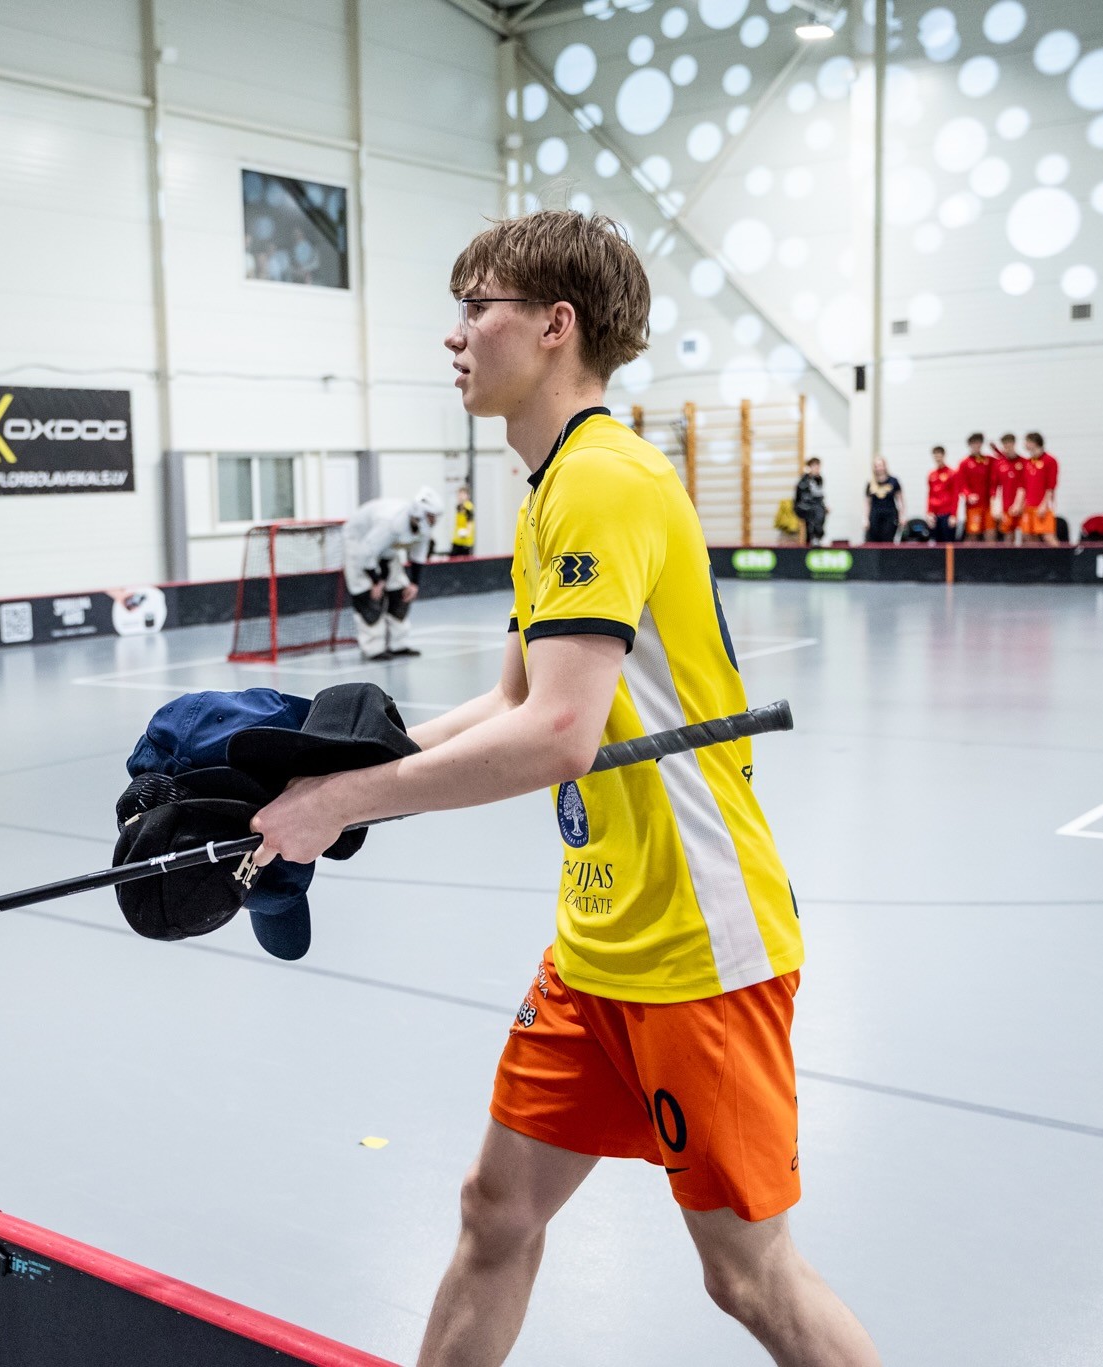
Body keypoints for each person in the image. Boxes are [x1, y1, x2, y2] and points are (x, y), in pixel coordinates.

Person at [251, 209, 879, 1367]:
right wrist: (334, 770)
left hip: (697, 940)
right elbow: (509, 699)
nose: (453, 335)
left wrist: (342, 807)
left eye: (473, 306)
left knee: (748, 1275)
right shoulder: (547, 489)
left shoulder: (600, 479)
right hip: (596, 939)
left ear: (553, 325)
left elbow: (555, 737)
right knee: (496, 1210)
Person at [342, 488, 443, 660]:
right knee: (368, 595)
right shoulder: (389, 523)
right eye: (431, 516)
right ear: (420, 513)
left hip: (385, 547)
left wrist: (414, 583)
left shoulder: (422, 527)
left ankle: (398, 644)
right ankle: (373, 648)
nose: (434, 521)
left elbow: (418, 556)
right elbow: (367, 552)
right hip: (359, 542)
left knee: (400, 591)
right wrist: (376, 581)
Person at [1020, 432, 1060, 545]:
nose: (1025, 444)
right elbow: (1024, 486)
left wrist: (1044, 504)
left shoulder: (1049, 460)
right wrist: (1021, 503)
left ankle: (1060, 556)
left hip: (1043, 505)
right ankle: (1037, 557)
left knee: (1048, 536)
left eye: (1027, 442)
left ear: (1034, 443)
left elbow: (1051, 486)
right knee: (1029, 536)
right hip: (1029, 505)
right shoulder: (1028, 462)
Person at [956, 432, 995, 542]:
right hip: (973, 506)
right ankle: (969, 553)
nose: (976, 446)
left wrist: (995, 449)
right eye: (974, 443)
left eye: (979, 443)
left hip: (987, 504)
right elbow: (961, 484)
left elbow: (1005, 461)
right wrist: (968, 495)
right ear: (970, 445)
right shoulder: (964, 463)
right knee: (973, 533)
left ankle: (991, 553)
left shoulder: (988, 460)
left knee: (990, 532)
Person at [864, 456, 903, 543]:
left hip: (890, 515)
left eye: (880, 465)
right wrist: (865, 519)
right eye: (876, 466)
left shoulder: (893, 481)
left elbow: (900, 500)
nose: (879, 468)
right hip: (875, 515)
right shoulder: (870, 483)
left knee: (887, 540)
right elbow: (867, 503)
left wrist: (902, 516)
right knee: (873, 540)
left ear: (885, 466)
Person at [924, 445, 959, 543]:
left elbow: (955, 495)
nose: (938, 458)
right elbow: (930, 494)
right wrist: (929, 513)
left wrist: (954, 515)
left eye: (939, 455)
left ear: (943, 455)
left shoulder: (952, 473)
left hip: (947, 514)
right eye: (935, 456)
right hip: (935, 515)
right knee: (935, 543)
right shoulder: (932, 474)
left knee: (948, 543)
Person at [793, 457, 827, 545]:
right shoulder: (804, 480)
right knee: (815, 512)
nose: (817, 469)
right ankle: (813, 538)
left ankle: (816, 537)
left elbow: (819, 496)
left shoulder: (819, 479)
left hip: (814, 506)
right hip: (802, 506)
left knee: (820, 511)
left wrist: (824, 506)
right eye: (814, 466)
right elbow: (802, 497)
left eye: (818, 466)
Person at [449, 483, 477, 557]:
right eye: (459, 494)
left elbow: (470, 522)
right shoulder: (458, 507)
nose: (460, 496)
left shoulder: (468, 508)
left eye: (462, 494)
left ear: (467, 496)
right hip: (457, 540)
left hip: (465, 541)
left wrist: (466, 532)